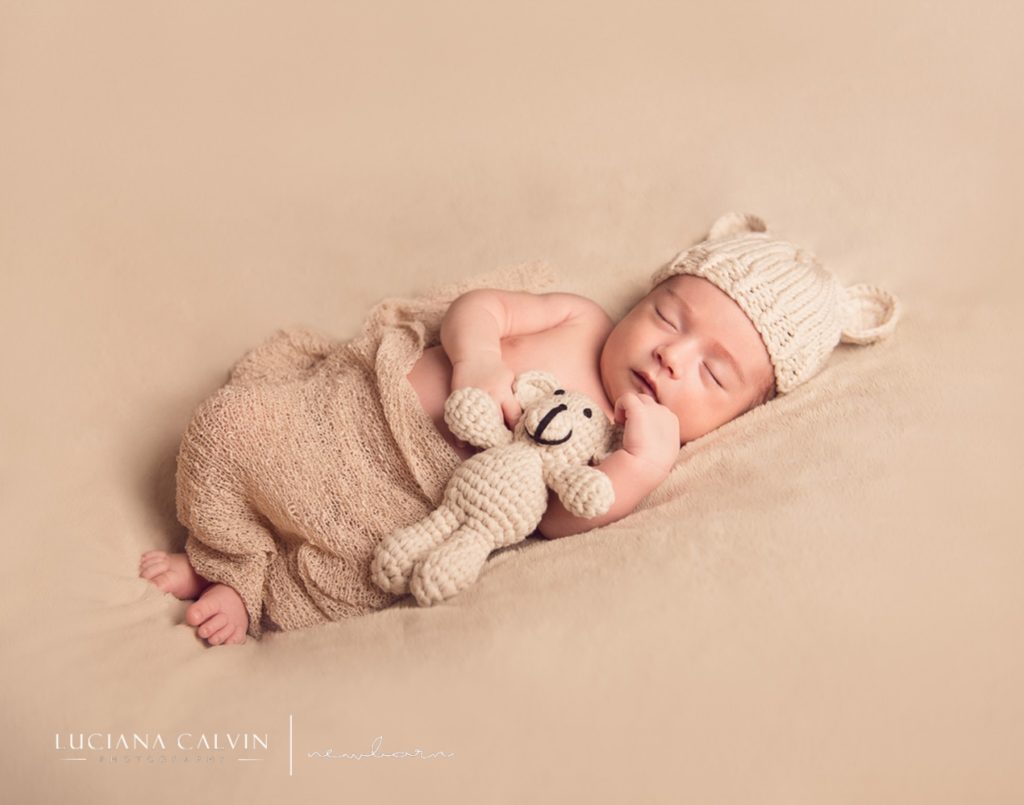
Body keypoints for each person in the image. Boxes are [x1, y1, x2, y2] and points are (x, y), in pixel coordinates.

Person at [139, 210, 902, 645]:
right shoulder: (580, 317)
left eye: (714, 373)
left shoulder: (624, 444)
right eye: (671, 316)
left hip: (402, 506)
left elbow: (563, 518)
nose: (672, 356)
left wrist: (639, 466)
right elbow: (483, 309)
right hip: (352, 417)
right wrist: (474, 363)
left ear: (737, 416)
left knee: (347, 580)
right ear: (646, 298)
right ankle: (221, 548)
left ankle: (243, 587)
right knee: (227, 430)